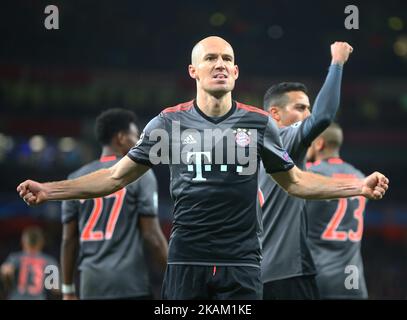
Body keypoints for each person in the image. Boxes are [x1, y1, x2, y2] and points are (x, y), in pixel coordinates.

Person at [17, 36, 389, 300]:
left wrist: (357, 188)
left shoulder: (259, 124)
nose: (220, 65)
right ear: (193, 70)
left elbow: (295, 182)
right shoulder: (167, 123)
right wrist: (50, 189)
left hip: (242, 264)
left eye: (227, 59)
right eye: (211, 58)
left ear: (237, 71)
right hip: (186, 261)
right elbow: (114, 177)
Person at [259, 42, 352, 300]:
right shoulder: (284, 139)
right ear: (274, 114)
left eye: (308, 107)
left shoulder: (245, 147)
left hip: (252, 275)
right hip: (288, 274)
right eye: (300, 108)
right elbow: (323, 116)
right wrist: (337, 63)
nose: (307, 113)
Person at [60, 109, 168, 300]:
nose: (139, 142)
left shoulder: (75, 179)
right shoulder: (140, 175)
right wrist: (175, 274)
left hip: (90, 286)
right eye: (136, 136)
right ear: (120, 138)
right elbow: (151, 235)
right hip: (129, 285)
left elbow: (69, 240)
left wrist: (67, 289)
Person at [305, 123, 368, 299]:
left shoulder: (309, 174)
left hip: (318, 275)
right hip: (353, 277)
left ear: (319, 144)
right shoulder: (361, 177)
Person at [0, 226, 58, 300]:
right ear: (42, 242)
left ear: (23, 242)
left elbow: (5, 271)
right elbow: (55, 289)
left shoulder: (14, 258)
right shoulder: (50, 261)